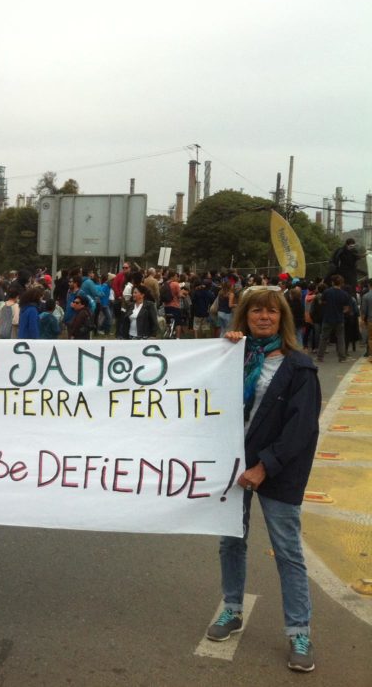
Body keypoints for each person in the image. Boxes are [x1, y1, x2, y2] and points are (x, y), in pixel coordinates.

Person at [207, 287, 321, 673]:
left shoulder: (299, 367)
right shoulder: (231, 356)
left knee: (287, 551)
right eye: (255, 310)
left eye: (271, 312)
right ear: (244, 316)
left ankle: (299, 631)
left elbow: (301, 427)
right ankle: (232, 609)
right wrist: (223, 347)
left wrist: (265, 466)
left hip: (278, 470)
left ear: (282, 318)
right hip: (234, 464)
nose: (263, 317)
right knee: (231, 542)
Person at [315, 275, 351, 363]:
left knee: (323, 338)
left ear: (332, 282)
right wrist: (341, 311)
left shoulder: (327, 292)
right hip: (339, 319)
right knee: (340, 338)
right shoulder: (345, 294)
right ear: (341, 283)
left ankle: (320, 357)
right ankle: (342, 357)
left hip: (327, 318)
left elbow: (321, 302)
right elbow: (346, 309)